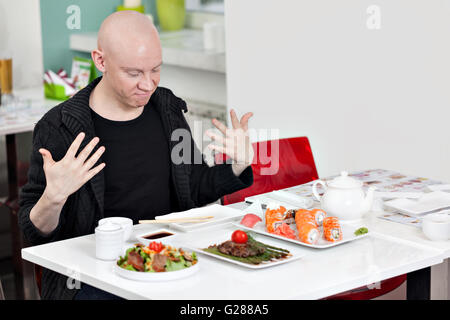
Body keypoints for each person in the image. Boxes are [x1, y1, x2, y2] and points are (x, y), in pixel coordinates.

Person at [18, 11, 254, 300]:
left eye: (155, 69)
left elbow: (193, 187)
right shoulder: (59, 127)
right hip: (94, 276)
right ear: (100, 60)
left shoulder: (167, 110)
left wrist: (239, 165)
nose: (148, 84)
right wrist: (52, 199)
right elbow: (33, 230)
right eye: (134, 73)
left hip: (169, 258)